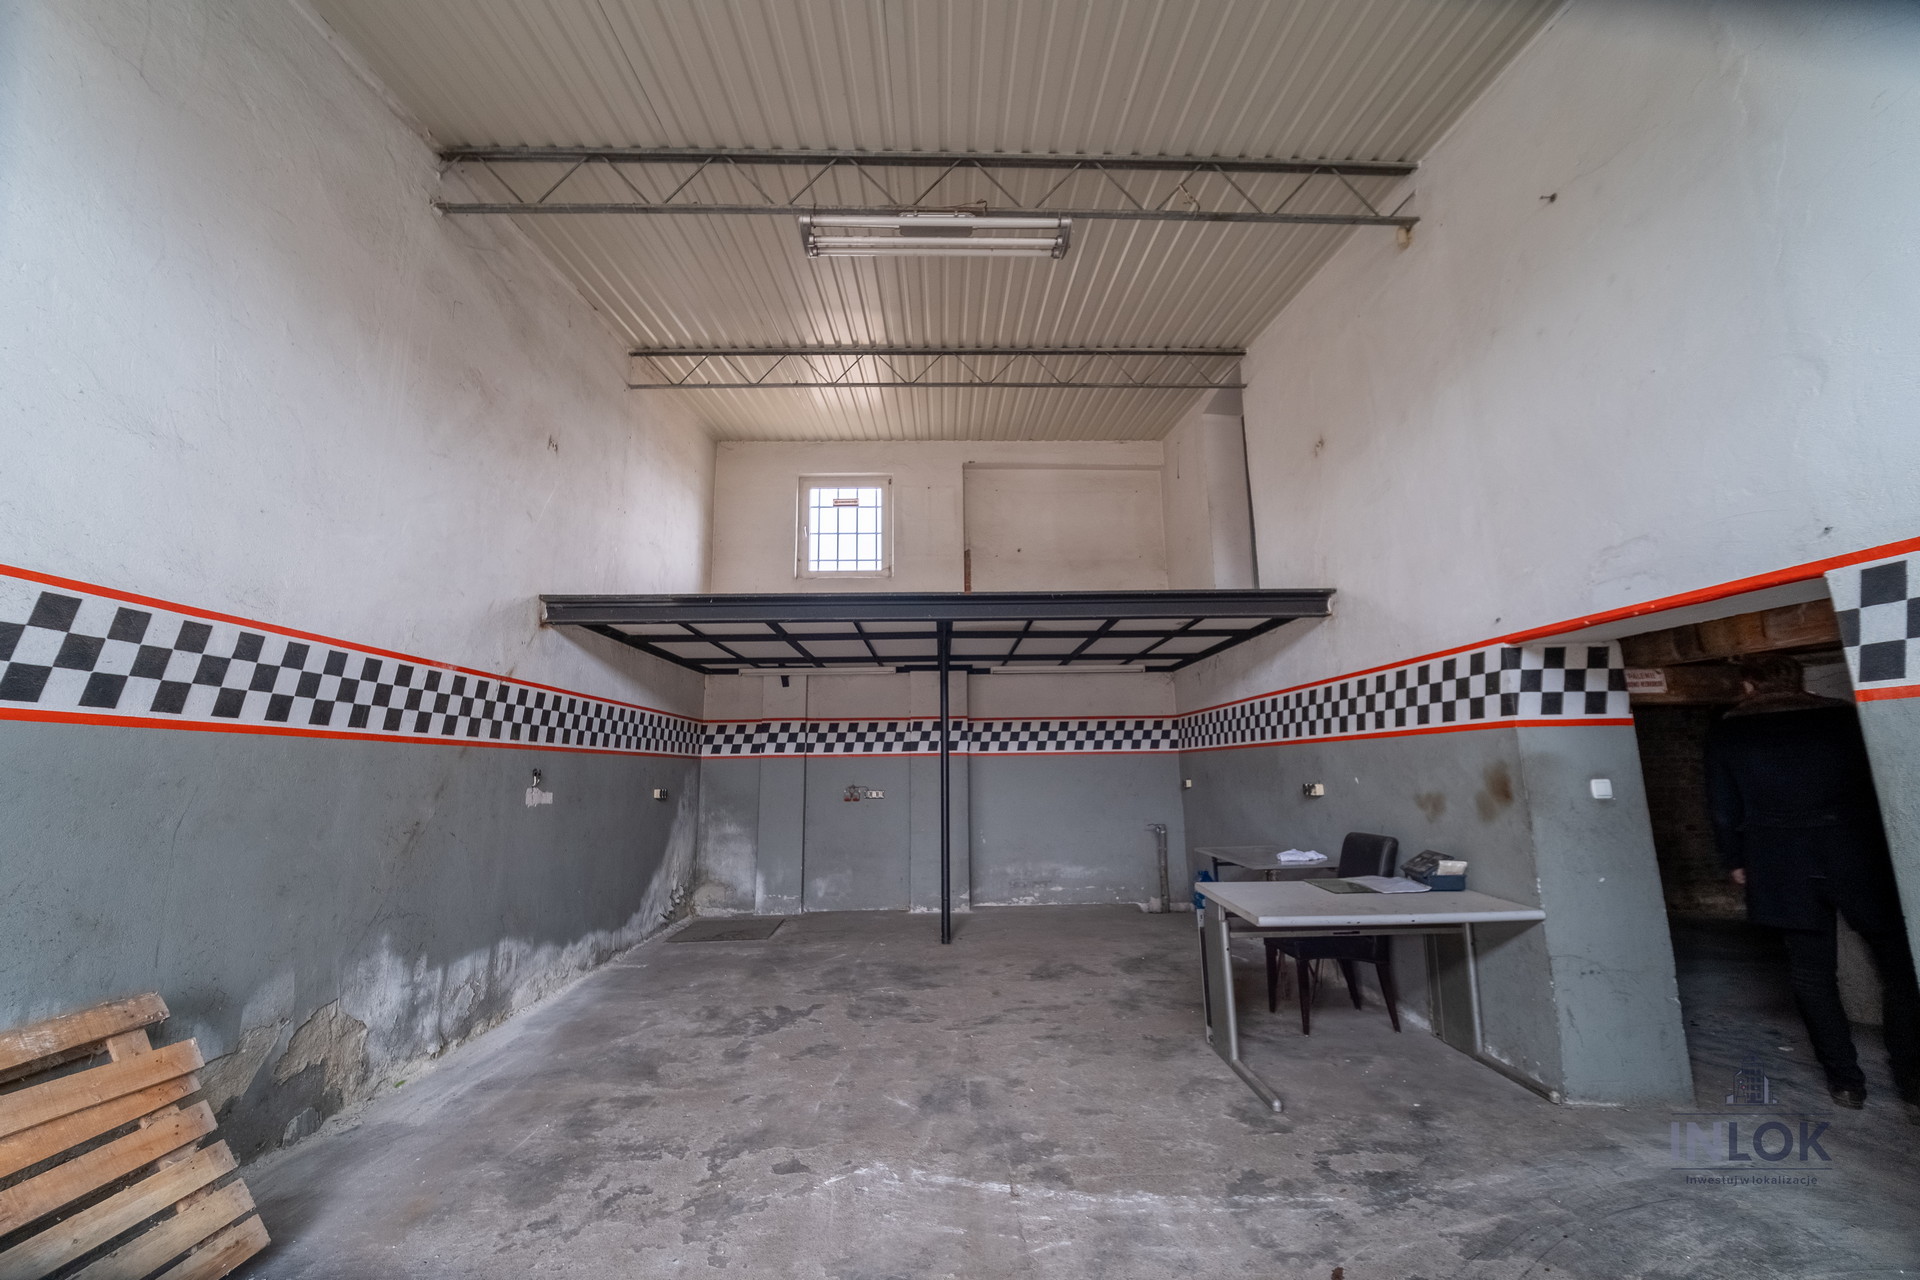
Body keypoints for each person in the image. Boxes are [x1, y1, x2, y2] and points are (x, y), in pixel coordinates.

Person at [1706, 654, 1920, 1119]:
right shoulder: (1843, 718)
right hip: (1856, 851)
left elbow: (1723, 806)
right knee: (1898, 969)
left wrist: (1735, 861)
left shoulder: (1729, 731)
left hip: (1779, 860)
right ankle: (1912, 1078)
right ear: (1798, 679)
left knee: (1812, 975)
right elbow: (1879, 781)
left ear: (1749, 684)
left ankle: (1846, 1082)